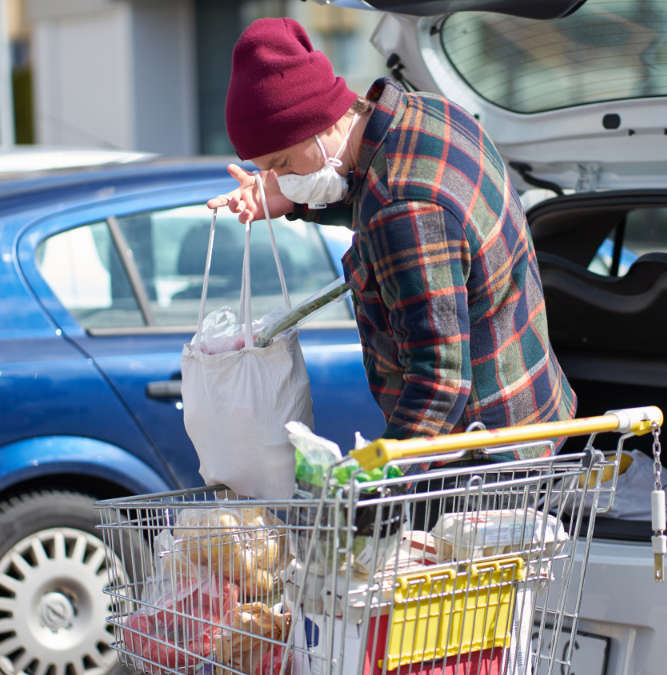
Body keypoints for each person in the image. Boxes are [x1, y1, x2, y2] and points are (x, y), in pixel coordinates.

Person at [209, 17, 575, 457]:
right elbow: (380, 194)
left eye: (283, 163)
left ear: (322, 123)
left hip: (485, 458)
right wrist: (296, 199)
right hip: (532, 411)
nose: (279, 178)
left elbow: (439, 383)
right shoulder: (426, 114)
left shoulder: (404, 210)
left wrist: (373, 480)